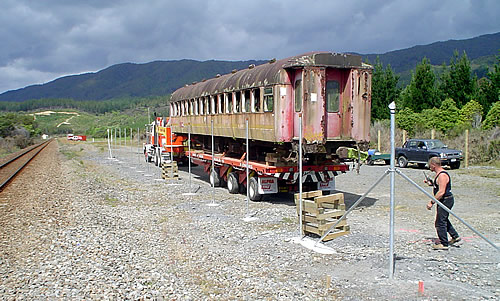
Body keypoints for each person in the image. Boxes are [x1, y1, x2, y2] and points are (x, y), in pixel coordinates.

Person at [424, 157, 461, 250]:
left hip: (446, 200)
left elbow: (441, 192)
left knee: (440, 222)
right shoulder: (439, 175)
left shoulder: (442, 175)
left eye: (430, 165)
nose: (429, 167)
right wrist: (431, 184)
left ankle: (444, 243)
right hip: (443, 200)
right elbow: (439, 186)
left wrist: (431, 202)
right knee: (444, 219)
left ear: (433, 164)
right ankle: (455, 236)